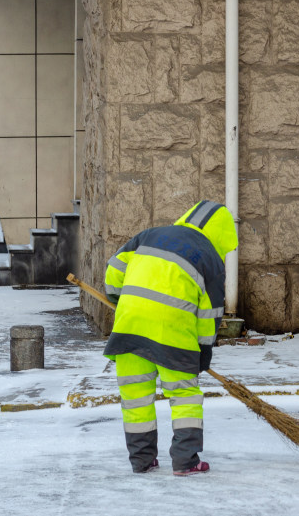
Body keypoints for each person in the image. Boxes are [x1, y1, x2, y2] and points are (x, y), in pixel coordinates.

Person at [103, 200, 238, 476]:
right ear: (222, 236)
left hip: (129, 327)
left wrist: (123, 299)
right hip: (173, 335)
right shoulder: (210, 258)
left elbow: (113, 273)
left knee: (135, 395)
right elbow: (208, 315)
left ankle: (142, 460)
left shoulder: (150, 234)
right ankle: (186, 461)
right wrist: (203, 352)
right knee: (184, 394)